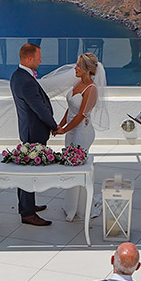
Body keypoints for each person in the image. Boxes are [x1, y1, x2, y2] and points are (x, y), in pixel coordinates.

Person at [10, 42, 58, 226]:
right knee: (29, 172)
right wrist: (53, 126)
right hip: (34, 132)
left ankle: (26, 205)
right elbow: (39, 108)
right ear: (29, 59)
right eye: (38, 58)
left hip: (28, 130)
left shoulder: (17, 76)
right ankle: (28, 213)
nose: (41, 60)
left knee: (26, 170)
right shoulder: (26, 81)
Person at [56, 52, 100, 222]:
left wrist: (64, 130)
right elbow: (70, 108)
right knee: (70, 167)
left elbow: (81, 115)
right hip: (71, 130)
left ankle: (80, 208)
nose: (74, 68)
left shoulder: (92, 89)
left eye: (77, 66)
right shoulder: (78, 83)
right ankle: (70, 206)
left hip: (82, 133)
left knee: (78, 168)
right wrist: (60, 125)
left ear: (86, 69)